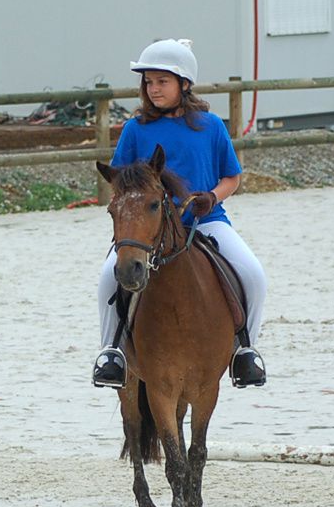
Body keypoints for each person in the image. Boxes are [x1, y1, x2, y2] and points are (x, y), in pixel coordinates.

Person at [93, 38, 267, 389]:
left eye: (162, 82)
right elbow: (121, 181)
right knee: (106, 279)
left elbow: (232, 177)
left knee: (254, 274)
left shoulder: (211, 126)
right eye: (148, 82)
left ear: (184, 84)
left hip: (206, 222)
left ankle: (245, 351)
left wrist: (212, 198)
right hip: (147, 229)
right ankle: (111, 352)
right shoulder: (135, 129)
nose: (153, 89)